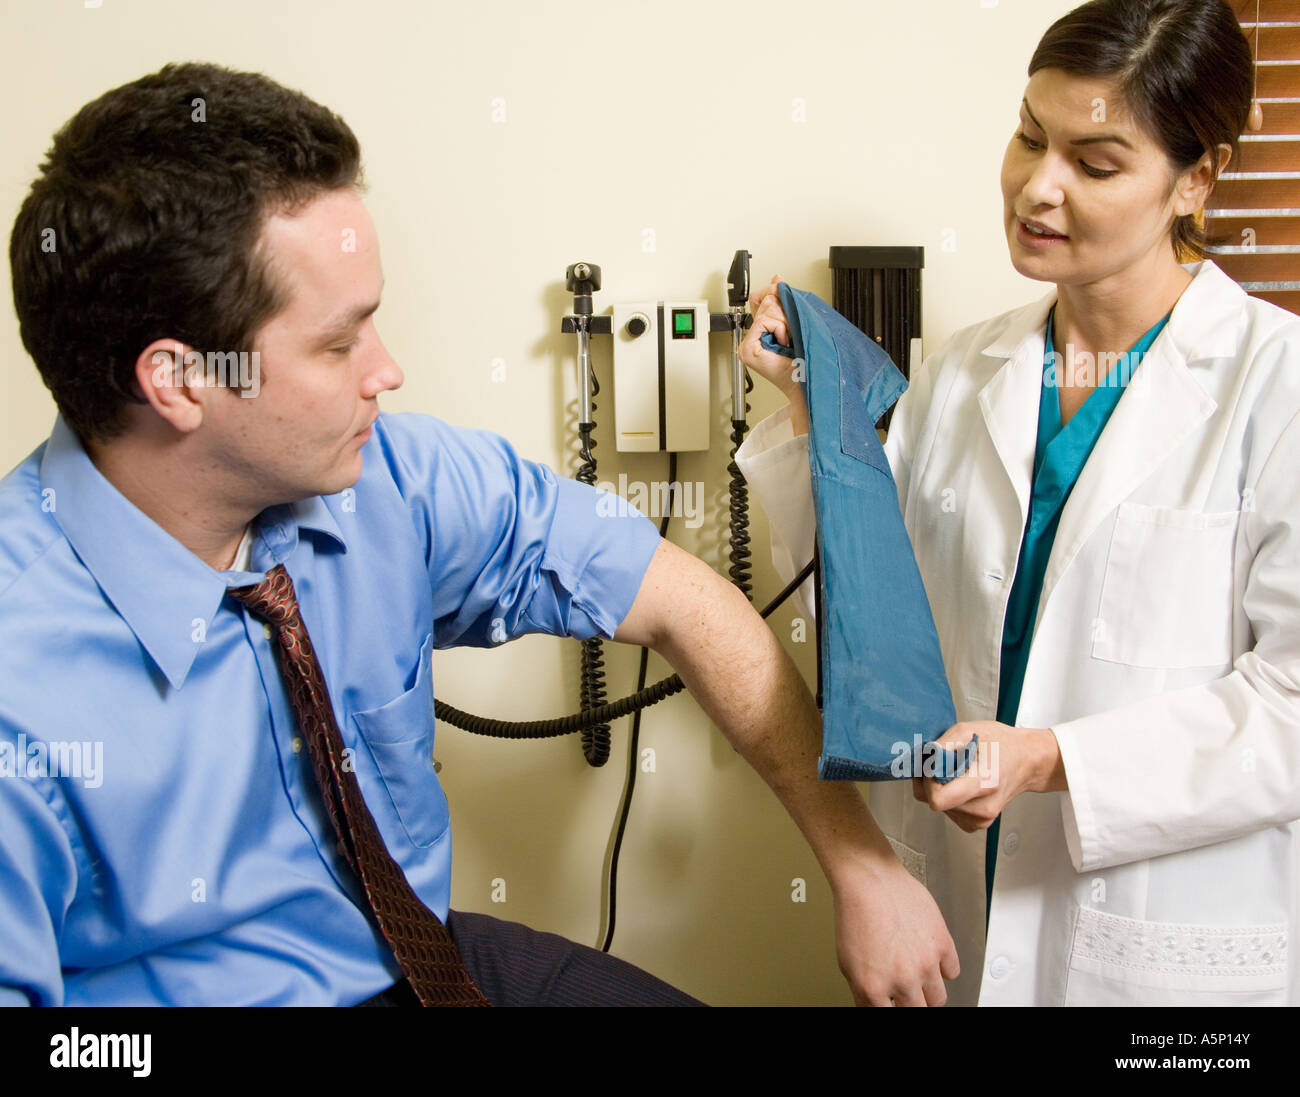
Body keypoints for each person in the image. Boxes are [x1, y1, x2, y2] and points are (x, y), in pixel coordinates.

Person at [0, 61, 960, 1008]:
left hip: (430, 958)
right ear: (179, 381)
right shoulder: (25, 680)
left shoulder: (393, 483)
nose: (388, 370)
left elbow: (682, 598)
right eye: (339, 343)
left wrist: (861, 864)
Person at [738, 0, 1300, 1006]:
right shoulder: (962, 373)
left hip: (1161, 955)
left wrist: (1048, 758)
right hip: (957, 907)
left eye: (1094, 162)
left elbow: (1290, 707)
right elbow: (870, 622)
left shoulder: (1275, 386)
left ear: (1196, 179)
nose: (1036, 187)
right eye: (1029, 136)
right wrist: (801, 408)